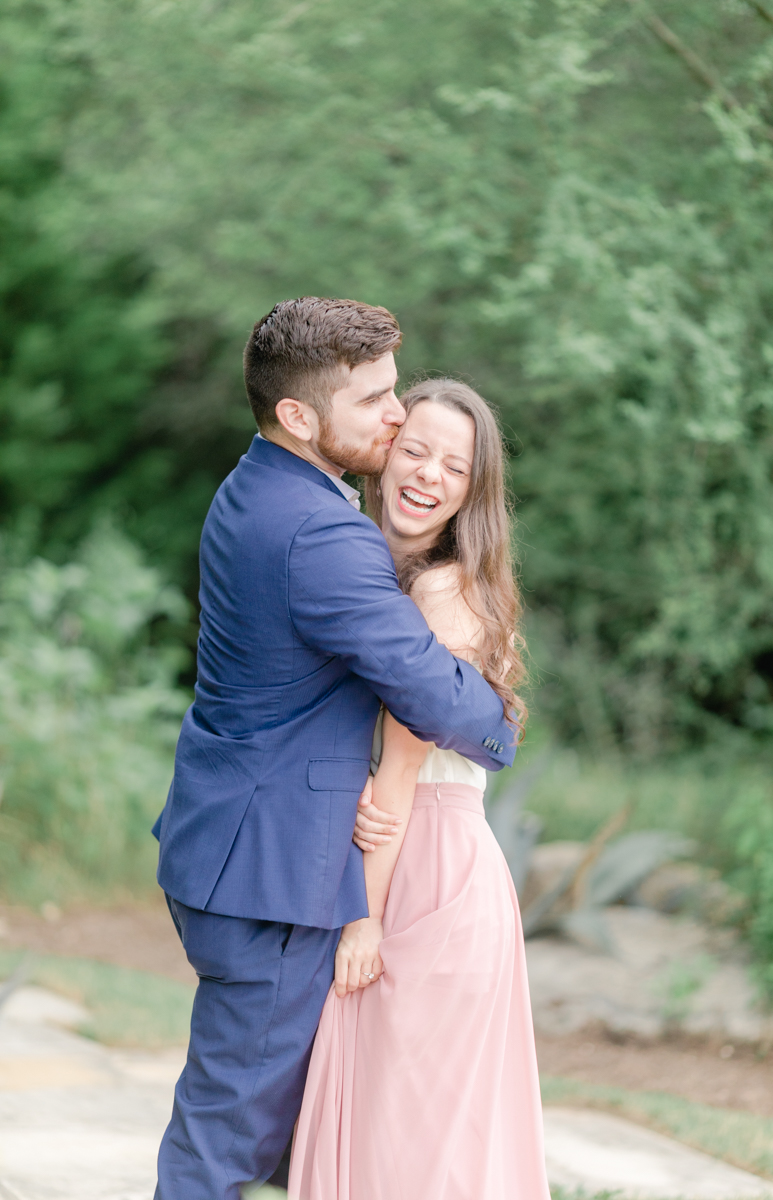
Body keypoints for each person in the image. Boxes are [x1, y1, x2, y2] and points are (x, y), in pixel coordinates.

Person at [152, 299, 517, 1199]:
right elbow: (433, 694)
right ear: (298, 417)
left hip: (236, 846)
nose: (396, 418)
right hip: (274, 874)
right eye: (375, 401)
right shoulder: (322, 531)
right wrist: (500, 721)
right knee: (225, 1145)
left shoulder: (257, 486)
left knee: (298, 1131)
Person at [289, 379, 551, 1200]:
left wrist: (360, 919)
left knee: (405, 1142)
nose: (429, 475)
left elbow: (399, 774)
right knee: (413, 1135)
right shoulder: (387, 576)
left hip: (424, 869)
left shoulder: (439, 594)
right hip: (428, 856)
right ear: (385, 453)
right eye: (416, 450)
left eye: (456, 466)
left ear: (475, 491)